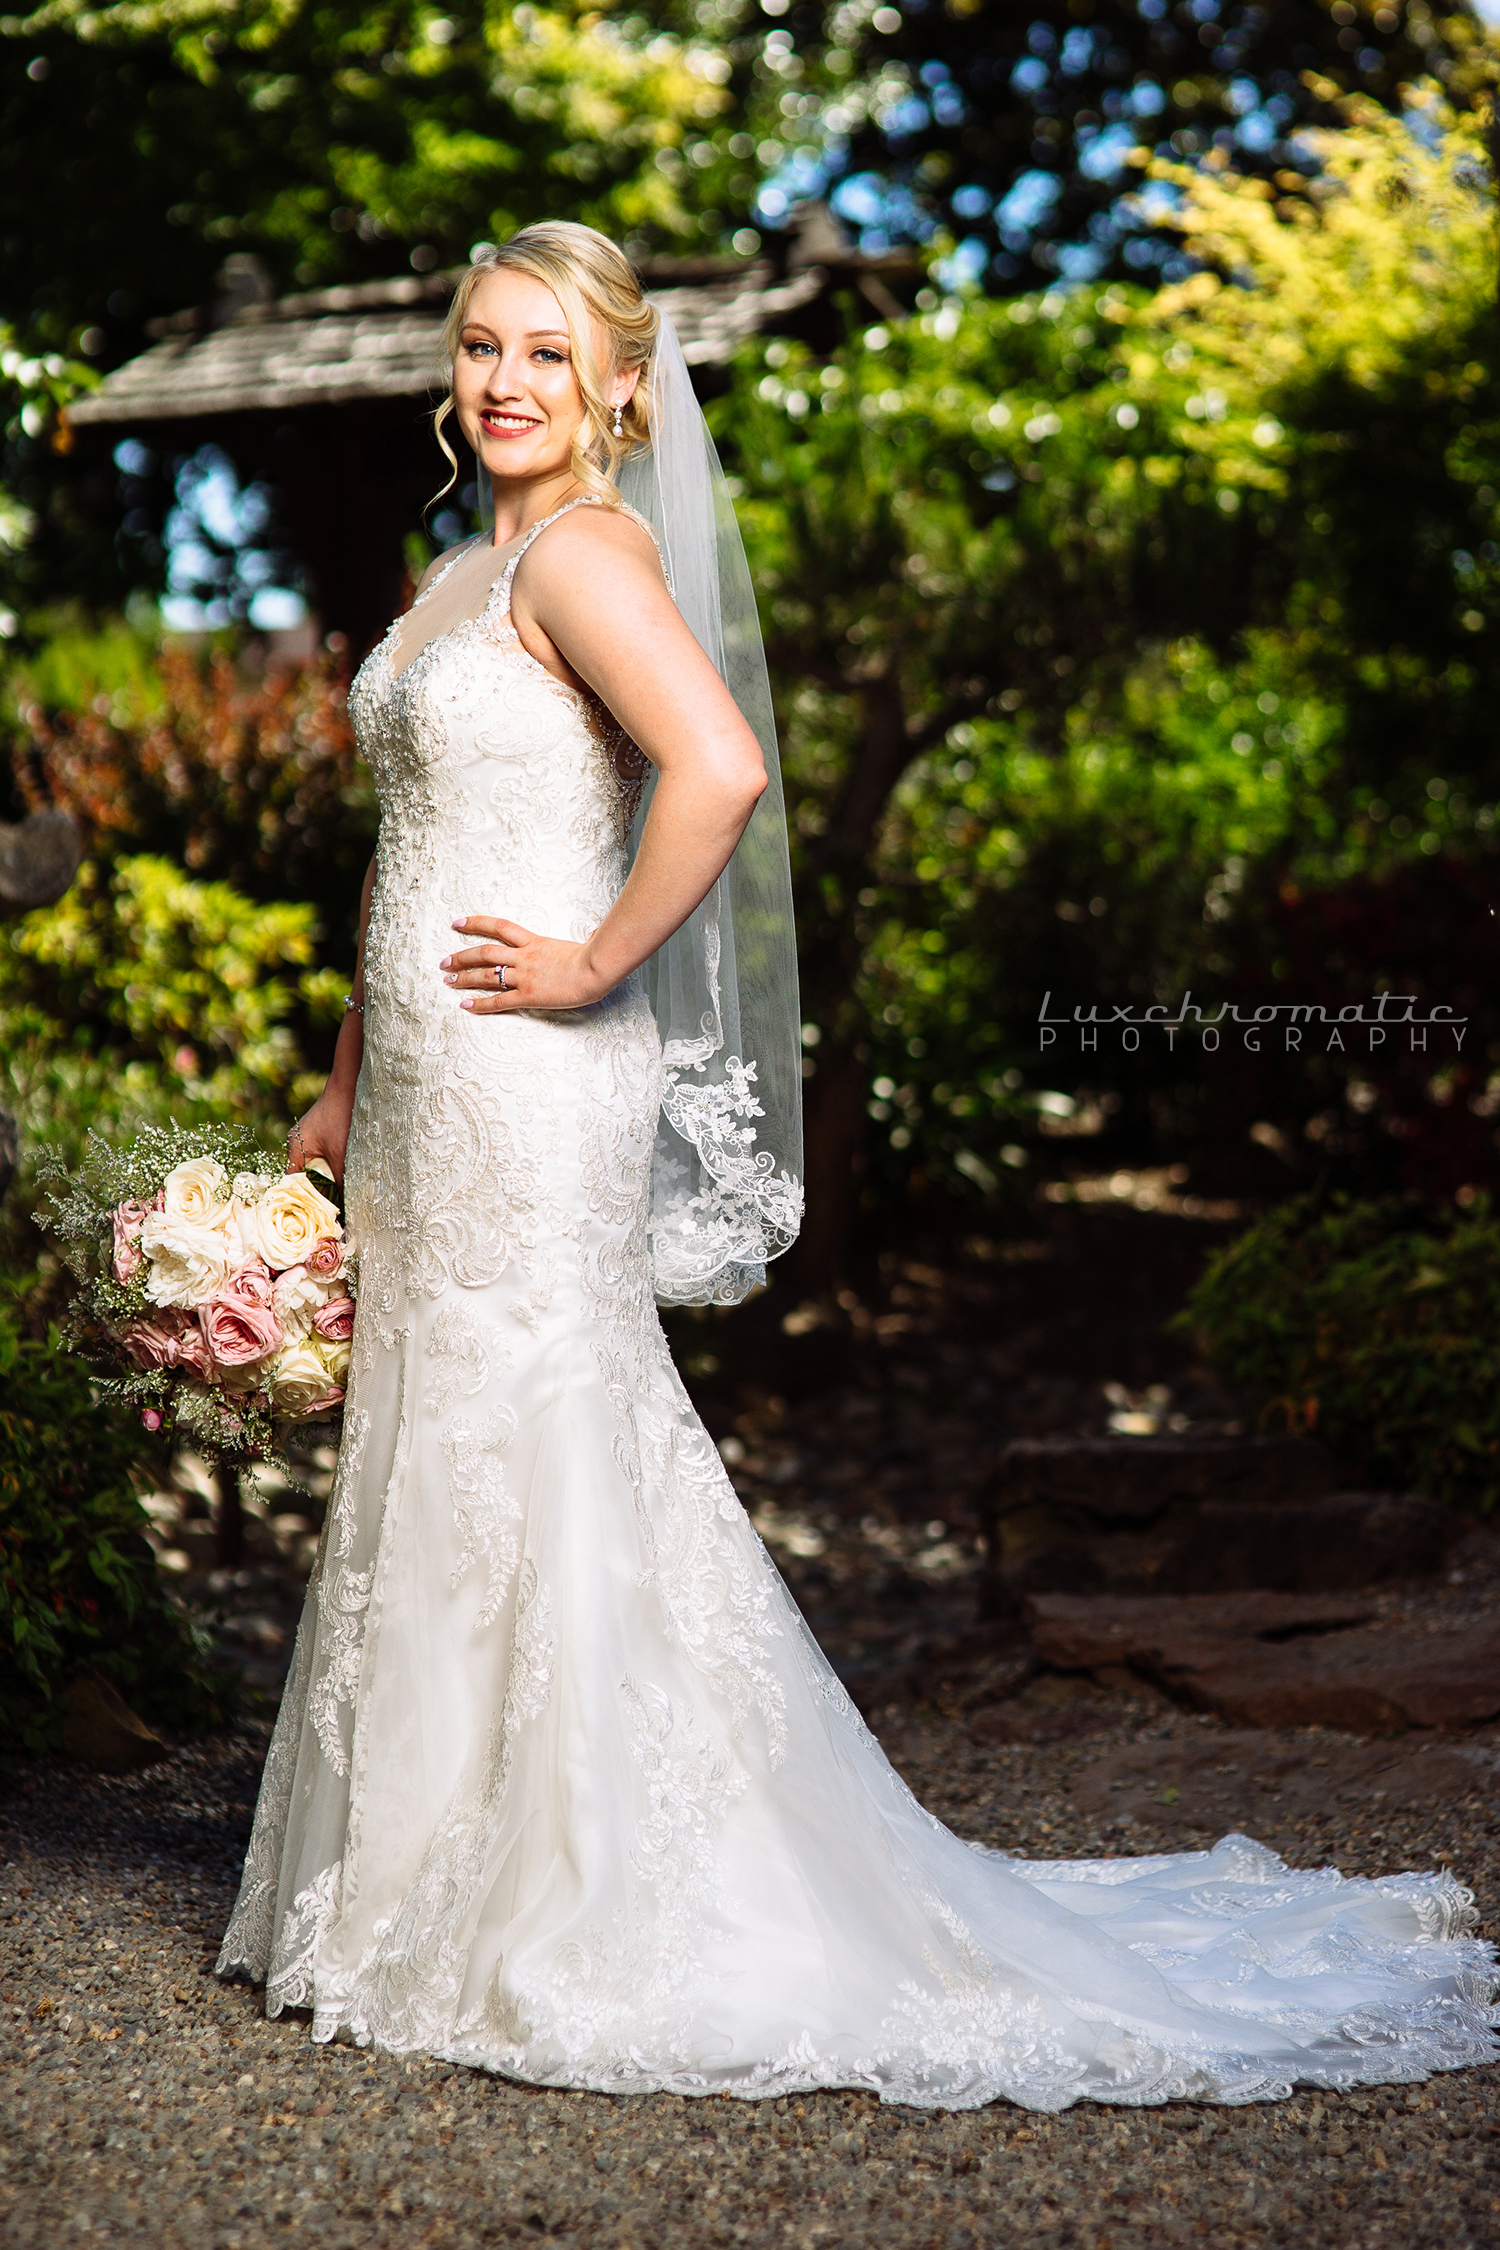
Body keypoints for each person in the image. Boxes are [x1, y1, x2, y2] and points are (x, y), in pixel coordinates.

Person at [219, 222, 1497, 2108]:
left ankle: (563, 1900)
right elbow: (405, 863)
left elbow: (718, 768)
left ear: (622, 389)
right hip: (422, 1082)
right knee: (442, 1424)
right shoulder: (460, 570)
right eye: (483, 347)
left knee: (537, 1422)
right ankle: (409, 1884)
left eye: (547, 358)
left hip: (531, 1077)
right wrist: (342, 1083)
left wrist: (589, 962)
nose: (504, 382)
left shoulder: (581, 555)